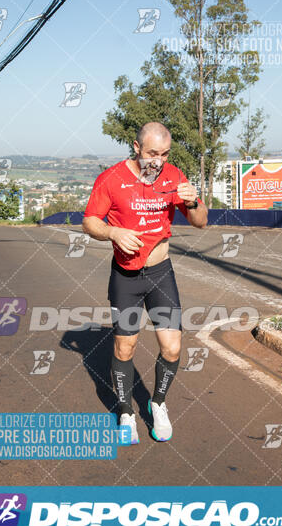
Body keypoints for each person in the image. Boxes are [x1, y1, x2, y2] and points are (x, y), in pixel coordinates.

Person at [82, 122, 208, 444]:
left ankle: (158, 404)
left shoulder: (174, 176)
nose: (158, 160)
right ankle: (125, 411)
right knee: (126, 347)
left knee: (173, 345)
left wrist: (193, 202)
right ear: (136, 147)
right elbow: (89, 220)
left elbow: (201, 223)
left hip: (160, 273)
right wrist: (113, 232)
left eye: (164, 154)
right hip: (126, 277)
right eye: (152, 153)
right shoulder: (111, 179)